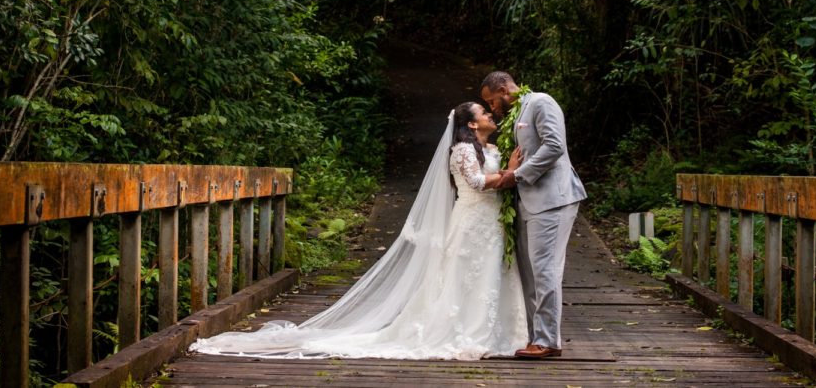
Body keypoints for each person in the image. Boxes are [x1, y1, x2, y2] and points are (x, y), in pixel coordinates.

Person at [189, 102, 527, 360]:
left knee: (487, 274)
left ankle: (492, 330)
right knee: (463, 275)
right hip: (470, 221)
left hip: (490, 222)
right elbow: (477, 182)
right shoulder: (463, 149)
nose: (490, 115)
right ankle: (465, 332)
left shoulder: (490, 149)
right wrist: (510, 173)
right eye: (484, 112)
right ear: (471, 123)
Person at [481, 70, 587, 360]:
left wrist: (517, 175)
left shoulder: (541, 102)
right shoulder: (518, 112)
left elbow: (555, 146)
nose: (492, 108)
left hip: (552, 199)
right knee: (529, 272)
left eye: (491, 101)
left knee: (545, 268)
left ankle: (547, 340)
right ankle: (536, 336)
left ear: (504, 89)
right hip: (527, 201)